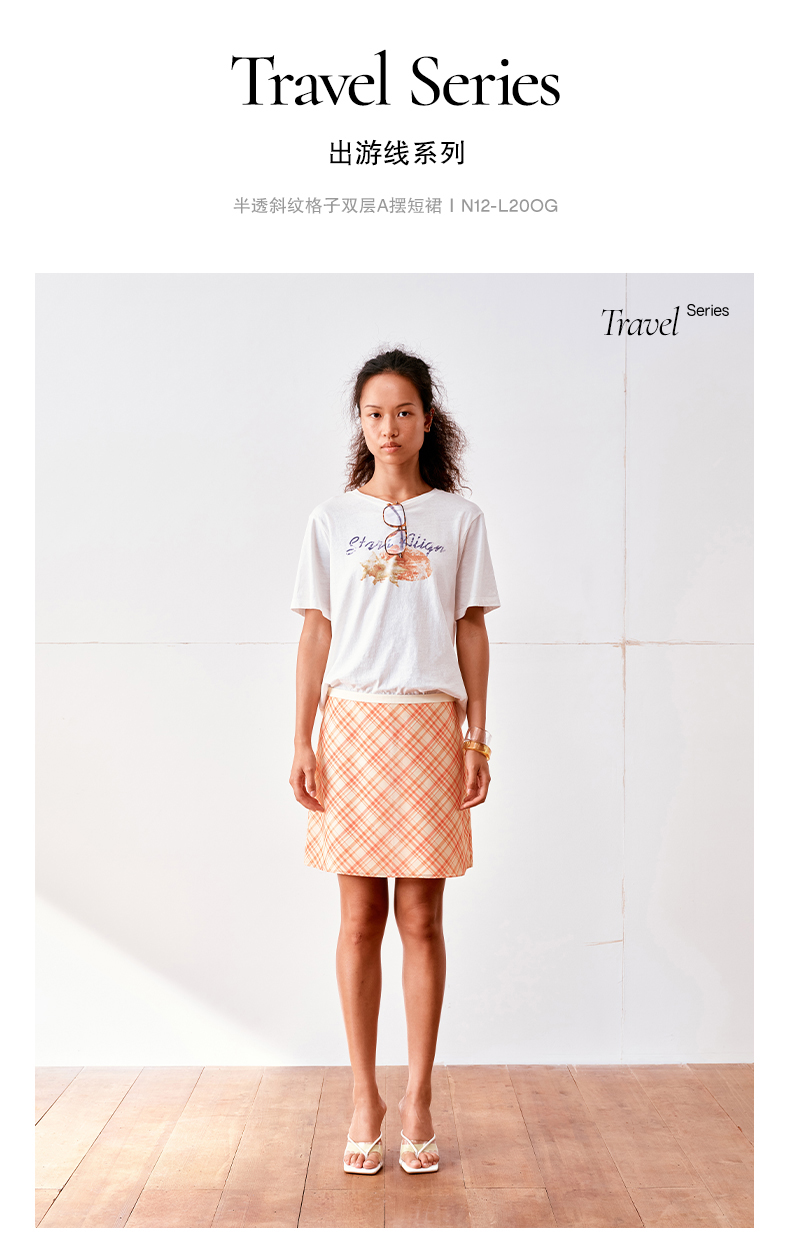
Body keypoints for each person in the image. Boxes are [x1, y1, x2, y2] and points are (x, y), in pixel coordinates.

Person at [289, 348, 499, 1175]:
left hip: (427, 727)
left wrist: (476, 736)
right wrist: (301, 739)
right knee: (358, 920)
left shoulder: (460, 520)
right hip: (352, 726)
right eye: (374, 414)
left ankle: (418, 1097)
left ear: (427, 420)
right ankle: (363, 1096)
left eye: (403, 412)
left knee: (421, 918)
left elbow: (471, 629)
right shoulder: (329, 520)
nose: (389, 427)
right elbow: (316, 632)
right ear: (361, 423)